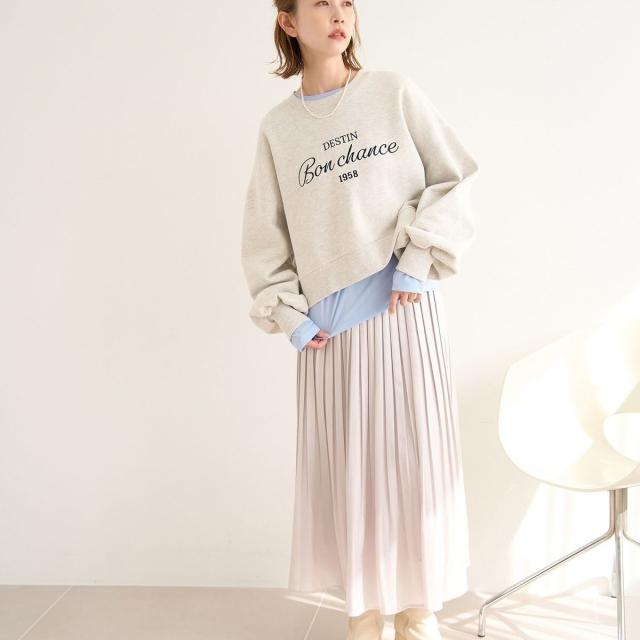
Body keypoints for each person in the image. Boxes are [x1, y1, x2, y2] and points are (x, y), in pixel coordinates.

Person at [240, 2, 479, 638]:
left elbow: (455, 178)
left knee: (414, 463)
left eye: (346, 1)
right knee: (349, 473)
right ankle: (365, 617)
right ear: (288, 21)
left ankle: (418, 612)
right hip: (329, 332)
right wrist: (288, 316)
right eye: (320, 2)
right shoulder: (278, 128)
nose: (338, 13)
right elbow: (265, 236)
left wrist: (417, 262)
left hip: (405, 311)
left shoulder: (392, 91)